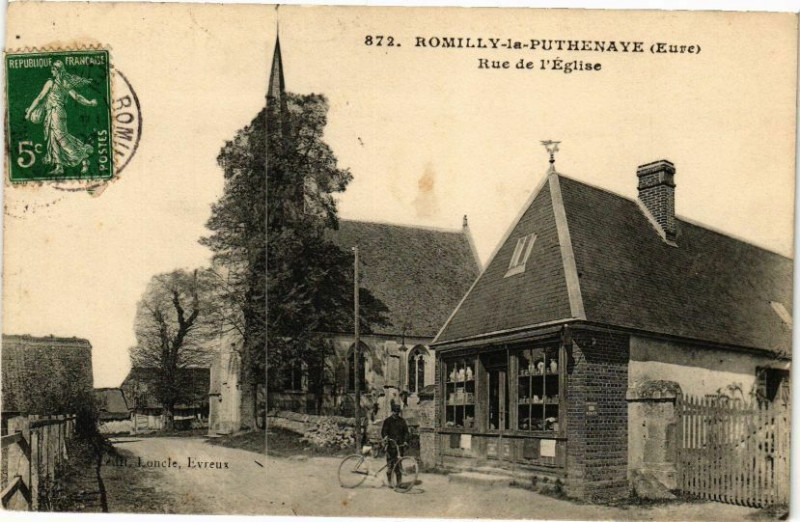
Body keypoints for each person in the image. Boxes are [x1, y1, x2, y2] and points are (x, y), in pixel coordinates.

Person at [24, 61, 98, 175]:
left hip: (55, 113)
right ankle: (59, 166)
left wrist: (29, 112)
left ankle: (83, 156)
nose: (51, 71)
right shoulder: (66, 83)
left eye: (53, 69)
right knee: (54, 138)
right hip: (58, 113)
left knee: (60, 138)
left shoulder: (51, 82)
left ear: (57, 70)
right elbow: (78, 97)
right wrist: (89, 103)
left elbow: (39, 97)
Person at [381, 402, 408, 487]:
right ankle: (390, 482)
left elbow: (406, 432)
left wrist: (406, 441)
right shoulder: (388, 421)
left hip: (399, 446)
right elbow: (384, 431)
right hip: (390, 446)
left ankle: (399, 483)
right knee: (390, 466)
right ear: (392, 411)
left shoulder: (402, 421)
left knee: (398, 465)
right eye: (394, 412)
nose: (396, 413)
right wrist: (385, 437)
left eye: (397, 412)